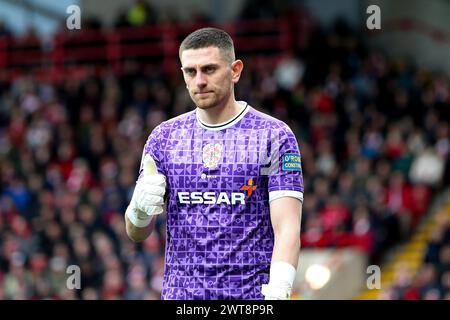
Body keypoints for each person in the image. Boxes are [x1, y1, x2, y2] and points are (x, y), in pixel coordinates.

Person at [124, 27, 304, 300]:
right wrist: (139, 209)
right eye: (190, 72)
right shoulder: (164, 138)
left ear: (235, 70)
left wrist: (280, 290)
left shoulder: (273, 136)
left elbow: (287, 227)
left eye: (209, 69)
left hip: (249, 298)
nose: (199, 81)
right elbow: (137, 233)